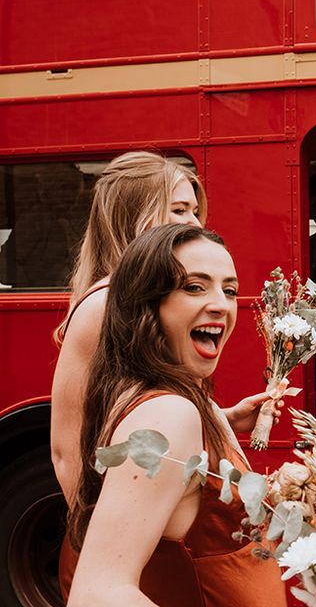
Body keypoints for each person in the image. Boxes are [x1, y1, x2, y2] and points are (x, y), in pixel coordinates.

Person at [59, 223, 316, 607]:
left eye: (230, 290)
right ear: (147, 303)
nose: (220, 304)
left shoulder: (183, 399)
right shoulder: (169, 413)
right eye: (194, 287)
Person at [51, 151, 266, 507]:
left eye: (195, 211)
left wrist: (221, 418)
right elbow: (67, 451)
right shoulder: (104, 303)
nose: (196, 224)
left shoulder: (156, 298)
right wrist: (99, 537)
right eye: (179, 210)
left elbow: (136, 410)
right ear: (133, 217)